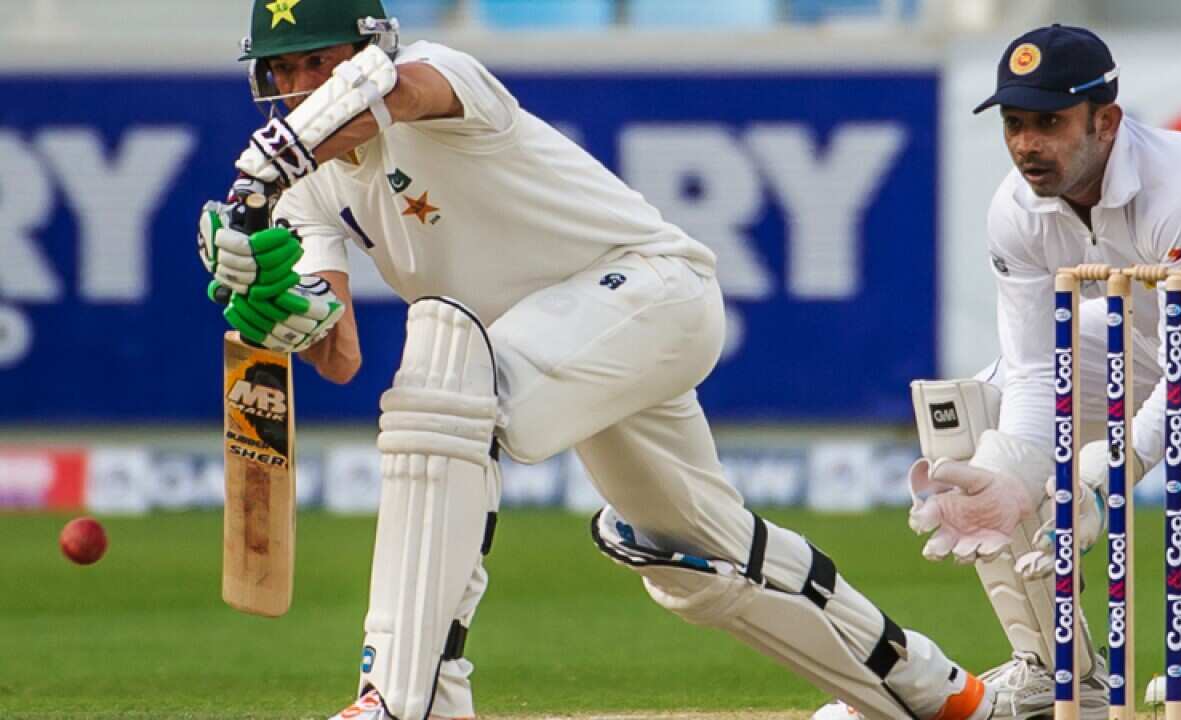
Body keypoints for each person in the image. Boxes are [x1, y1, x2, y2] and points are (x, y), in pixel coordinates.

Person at [195, 2, 996, 719]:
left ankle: (405, 699)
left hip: (655, 293)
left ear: (367, 48)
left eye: (319, 61)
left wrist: (276, 155)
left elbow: (399, 90)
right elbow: (339, 354)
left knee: (442, 363)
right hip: (557, 352)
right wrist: (289, 313)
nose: (301, 84)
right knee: (694, 553)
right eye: (285, 69)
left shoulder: (439, 74)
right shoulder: (304, 187)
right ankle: (942, 695)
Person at [815, 23, 1181, 720]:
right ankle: (1056, 671)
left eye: (1050, 123)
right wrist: (1012, 475)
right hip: (1149, 327)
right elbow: (1038, 373)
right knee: (972, 412)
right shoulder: (1015, 211)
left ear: (1106, 120)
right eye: (1014, 123)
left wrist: (1099, 480)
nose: (1028, 144)